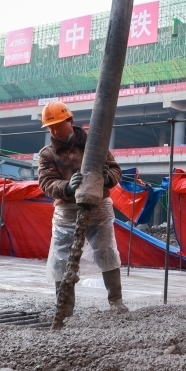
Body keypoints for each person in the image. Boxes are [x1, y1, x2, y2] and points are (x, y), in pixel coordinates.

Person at [38, 100, 126, 329]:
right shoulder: (48, 154)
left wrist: (106, 179)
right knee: (61, 259)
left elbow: (115, 169)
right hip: (67, 209)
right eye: (51, 127)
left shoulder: (94, 143)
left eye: (59, 124)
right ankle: (65, 309)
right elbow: (46, 182)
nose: (55, 130)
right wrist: (66, 187)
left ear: (70, 121)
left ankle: (116, 301)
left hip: (99, 206)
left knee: (106, 250)